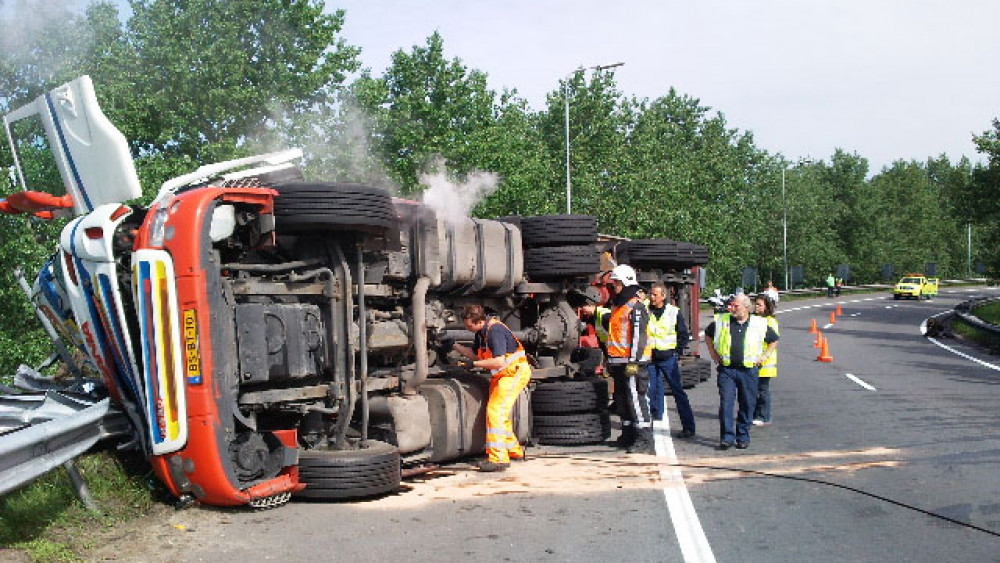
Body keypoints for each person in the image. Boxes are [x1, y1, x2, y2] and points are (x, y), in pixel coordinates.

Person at [452, 305, 533, 472]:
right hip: (503, 375)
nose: (467, 329)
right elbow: (476, 355)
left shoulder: (495, 330)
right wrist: (454, 346)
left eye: (469, 326)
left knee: (495, 412)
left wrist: (472, 364)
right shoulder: (481, 333)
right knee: (500, 413)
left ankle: (498, 459)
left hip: (513, 373)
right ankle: (513, 450)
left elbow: (499, 361)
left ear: (480, 321)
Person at [704, 293, 779, 450]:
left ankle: (743, 435)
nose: (732, 309)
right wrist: (712, 353)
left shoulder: (759, 323)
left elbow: (774, 339)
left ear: (746, 307)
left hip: (749, 371)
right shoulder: (722, 320)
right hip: (728, 370)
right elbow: (708, 334)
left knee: (747, 404)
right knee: (726, 403)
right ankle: (727, 437)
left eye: (736, 306)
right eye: (731, 305)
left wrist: (764, 356)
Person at [603, 264, 655, 454]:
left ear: (625, 282)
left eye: (616, 282)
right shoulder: (619, 306)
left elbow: (638, 339)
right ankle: (628, 434)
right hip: (618, 362)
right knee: (622, 399)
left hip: (633, 363)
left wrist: (633, 362)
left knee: (635, 398)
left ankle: (644, 438)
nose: (614, 286)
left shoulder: (636, 307)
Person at [645, 282, 696, 438]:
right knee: (651, 390)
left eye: (655, 294)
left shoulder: (673, 312)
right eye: (651, 294)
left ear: (663, 296)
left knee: (678, 392)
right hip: (651, 358)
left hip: (668, 358)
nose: (652, 297)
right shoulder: (645, 310)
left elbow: (683, 334)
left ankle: (688, 427)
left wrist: (677, 352)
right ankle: (654, 419)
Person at [752, 295, 780, 427]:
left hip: (765, 363)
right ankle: (755, 414)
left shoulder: (769, 321)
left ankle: (764, 416)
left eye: (759, 305)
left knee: (763, 392)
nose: (756, 307)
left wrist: (764, 356)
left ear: (766, 307)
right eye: (756, 304)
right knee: (754, 391)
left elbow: (774, 341)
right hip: (755, 361)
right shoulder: (756, 319)